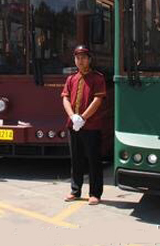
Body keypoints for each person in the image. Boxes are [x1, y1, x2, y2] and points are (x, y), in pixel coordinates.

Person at [61, 45, 107, 205]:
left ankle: (95, 193)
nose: (80, 61)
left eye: (83, 58)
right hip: (73, 125)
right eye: (77, 58)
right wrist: (73, 117)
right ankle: (75, 190)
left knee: (94, 160)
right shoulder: (71, 79)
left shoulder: (97, 78)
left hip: (91, 126)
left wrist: (83, 118)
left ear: (89, 60)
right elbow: (65, 98)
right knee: (76, 159)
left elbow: (98, 100)